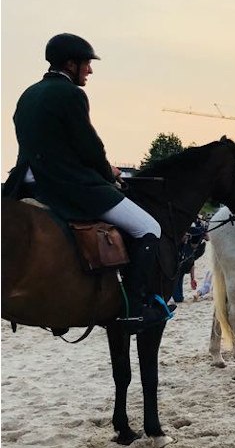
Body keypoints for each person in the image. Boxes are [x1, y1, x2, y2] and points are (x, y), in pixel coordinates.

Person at [8, 33, 169, 331]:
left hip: (25, 183)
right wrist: (111, 173)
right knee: (149, 228)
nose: (90, 71)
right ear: (70, 64)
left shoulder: (27, 94)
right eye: (86, 64)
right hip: (67, 185)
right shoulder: (71, 94)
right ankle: (133, 307)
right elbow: (89, 147)